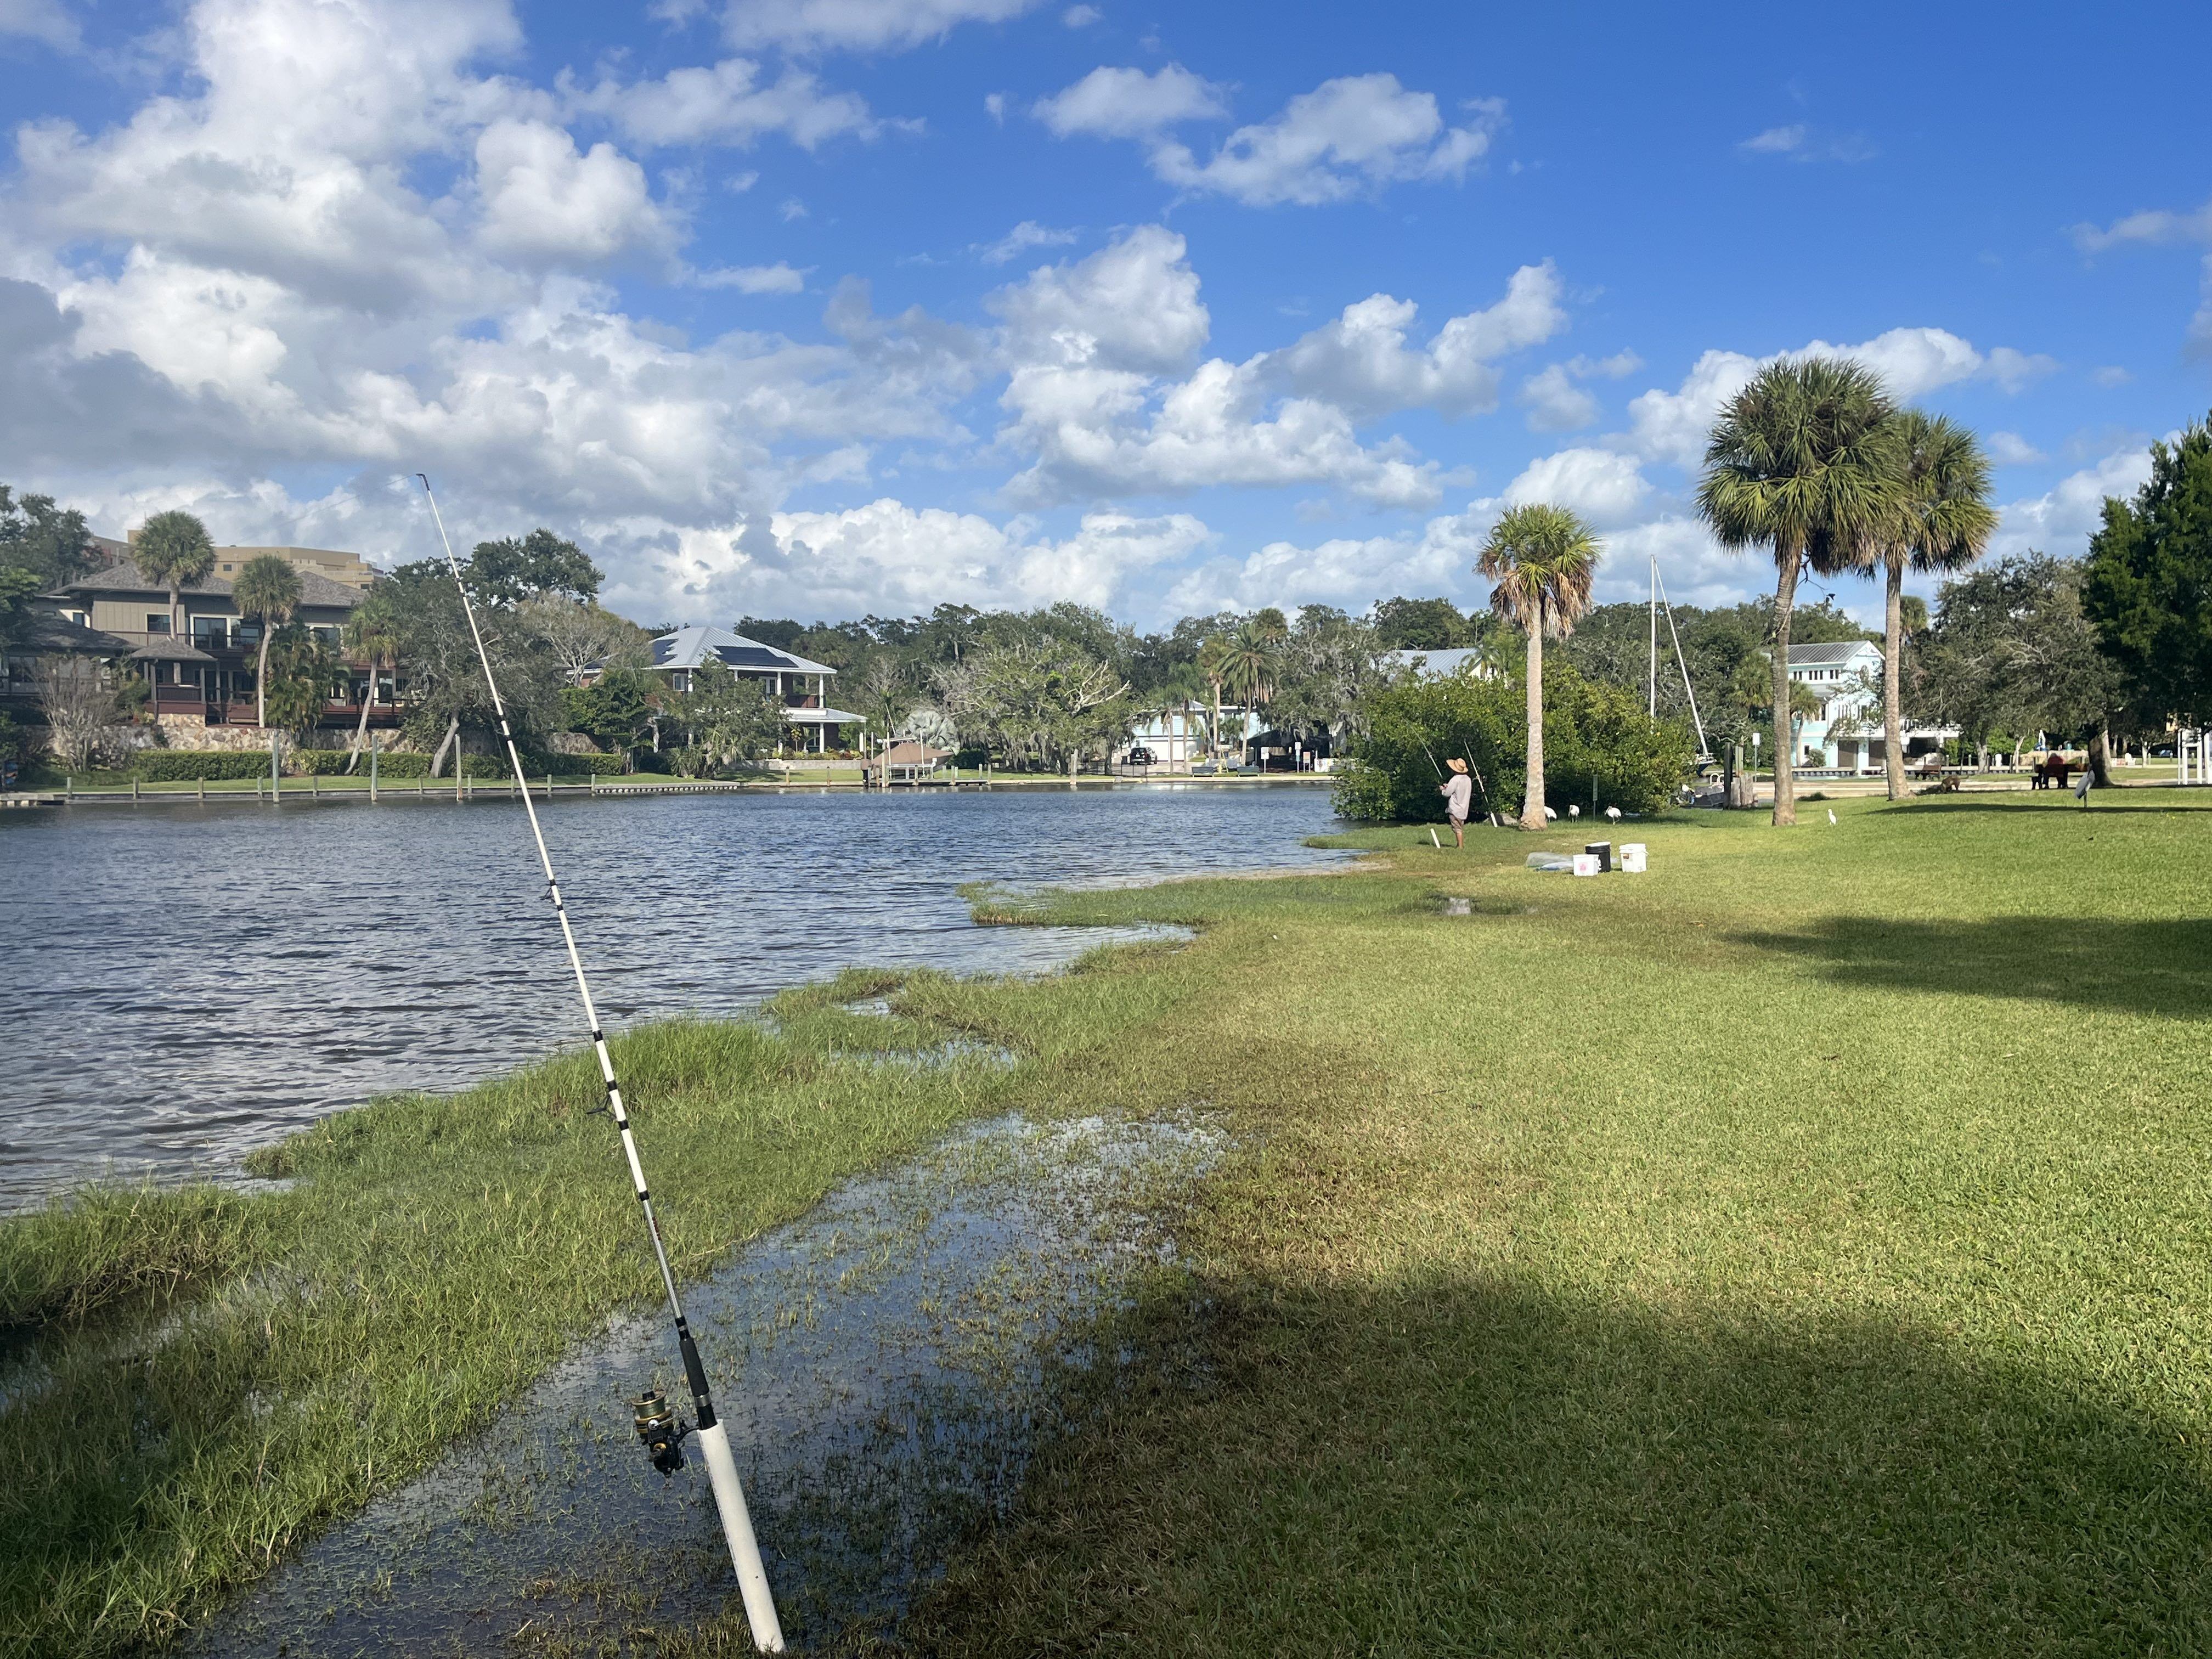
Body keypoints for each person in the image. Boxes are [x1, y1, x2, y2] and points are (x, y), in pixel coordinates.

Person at [1439, 757, 1473, 848]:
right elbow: (1459, 789)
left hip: (1455, 808)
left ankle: (1460, 847)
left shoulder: (1455, 779)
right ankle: (1459, 845)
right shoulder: (1468, 779)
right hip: (1464, 808)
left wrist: (1443, 790)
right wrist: (1448, 786)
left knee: (1457, 829)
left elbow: (1447, 794)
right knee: (1460, 827)